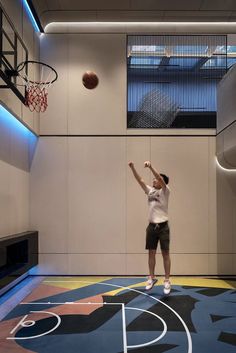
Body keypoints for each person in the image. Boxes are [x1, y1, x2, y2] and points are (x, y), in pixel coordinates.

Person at [128, 161, 171, 294]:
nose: (154, 180)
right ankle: (151, 277)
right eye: (153, 179)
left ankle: (167, 280)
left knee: (165, 253)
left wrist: (151, 167)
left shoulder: (165, 191)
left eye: (157, 179)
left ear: (162, 182)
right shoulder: (150, 191)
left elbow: (159, 177)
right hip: (151, 227)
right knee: (151, 253)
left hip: (163, 227)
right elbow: (139, 180)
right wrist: (132, 167)